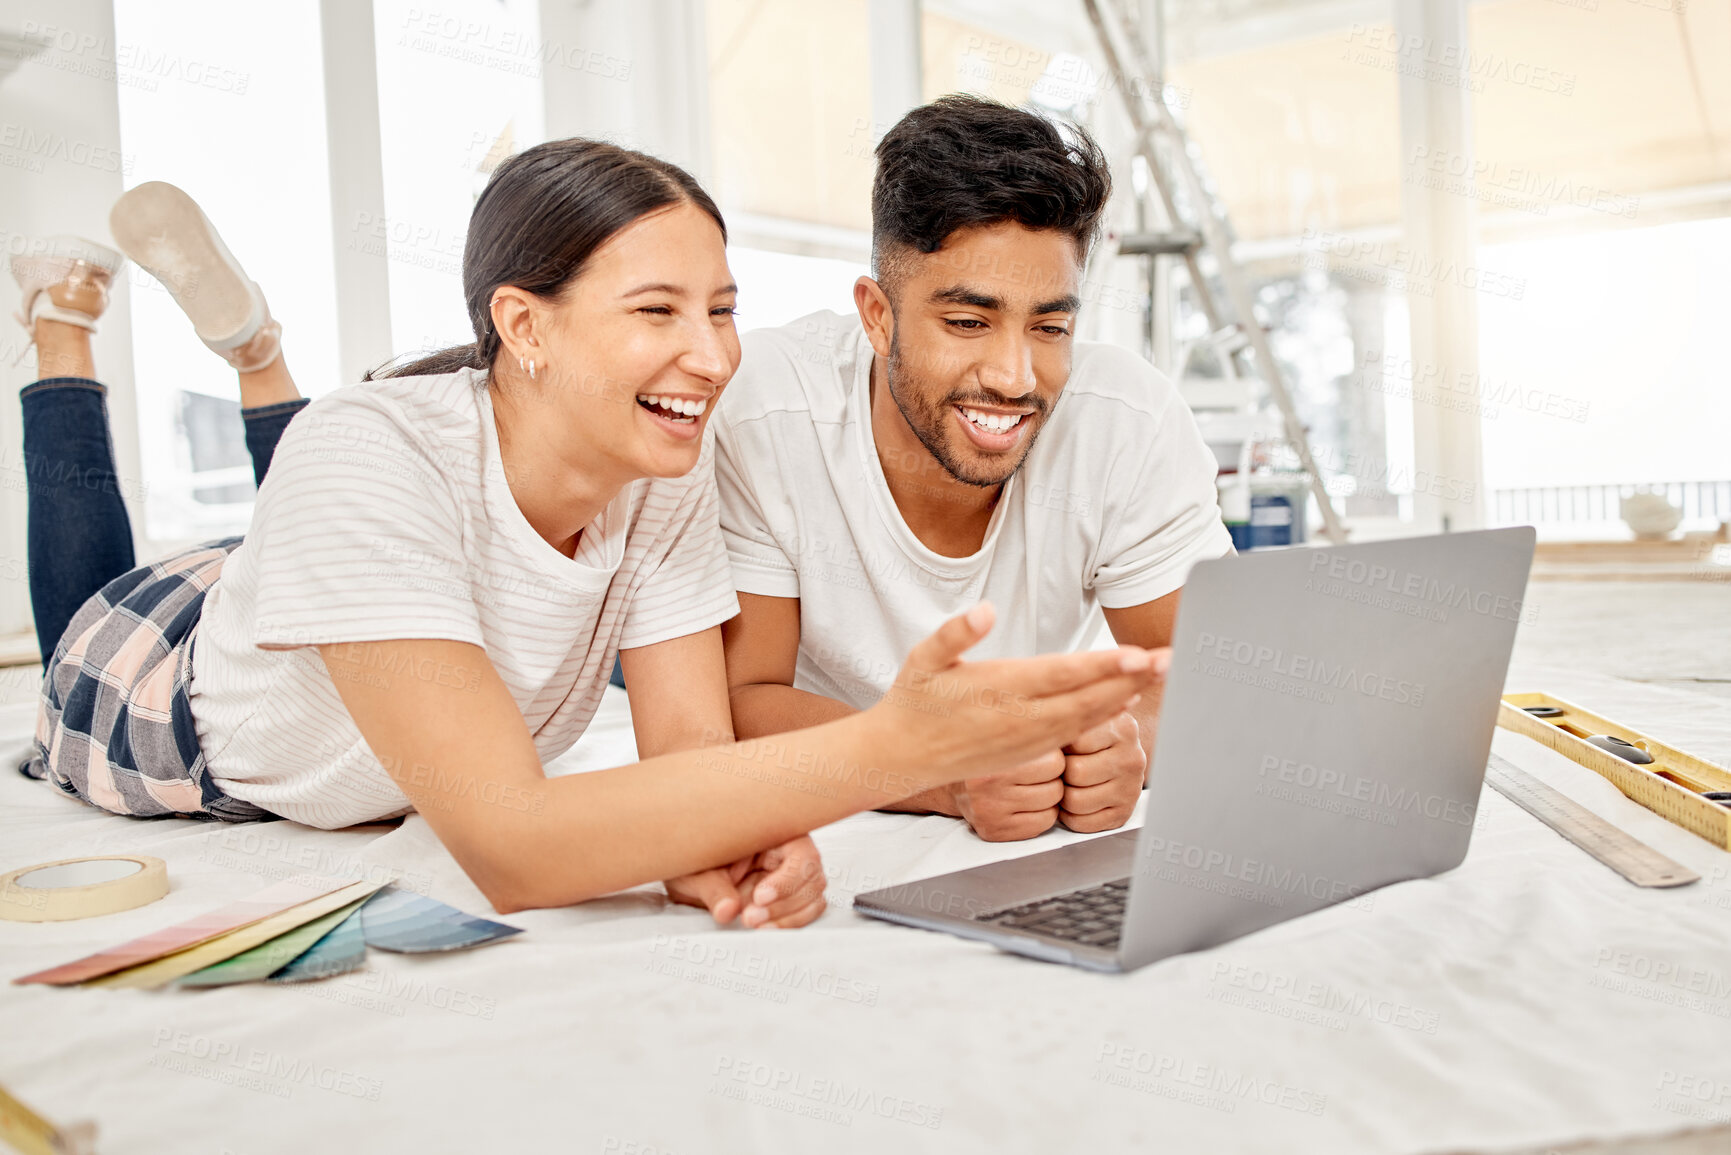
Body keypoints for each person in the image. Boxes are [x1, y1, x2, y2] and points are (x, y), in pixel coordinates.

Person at [11, 142, 1161, 927]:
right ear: (524, 326)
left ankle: (261, 353)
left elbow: (693, 769)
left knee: (319, 498)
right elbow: (515, 847)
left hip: (324, 571)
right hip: (160, 686)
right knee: (82, 592)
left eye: (722, 310)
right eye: (658, 311)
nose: (713, 358)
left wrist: (712, 842)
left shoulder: (661, 470)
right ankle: (72, 335)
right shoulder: (367, 455)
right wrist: (906, 749)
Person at [716, 95, 1231, 842]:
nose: (1015, 377)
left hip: (1030, 816)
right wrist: (944, 772)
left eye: (1050, 326)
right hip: (832, 811)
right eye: (967, 322)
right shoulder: (765, 406)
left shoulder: (1128, 420)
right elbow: (742, 698)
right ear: (876, 316)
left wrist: (1120, 748)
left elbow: (1206, 682)